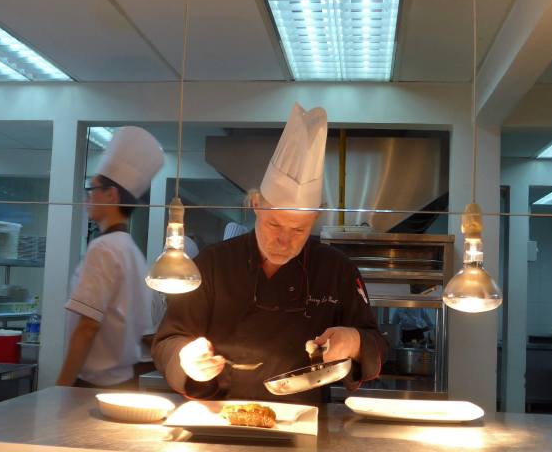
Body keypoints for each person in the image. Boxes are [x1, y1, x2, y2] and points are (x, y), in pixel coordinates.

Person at [152, 103, 387, 403]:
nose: (284, 240)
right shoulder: (212, 265)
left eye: (298, 229)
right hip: (220, 420)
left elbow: (377, 344)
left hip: (305, 424)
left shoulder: (337, 270)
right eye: (274, 223)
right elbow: (167, 340)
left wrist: (354, 342)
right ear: (256, 205)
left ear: (314, 219)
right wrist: (184, 357)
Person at [56, 127, 163, 388]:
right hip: (123, 383)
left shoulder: (104, 249)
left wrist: (60, 388)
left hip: (93, 387)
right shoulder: (133, 252)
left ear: (111, 194)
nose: (88, 197)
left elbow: (87, 327)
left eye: (92, 189)